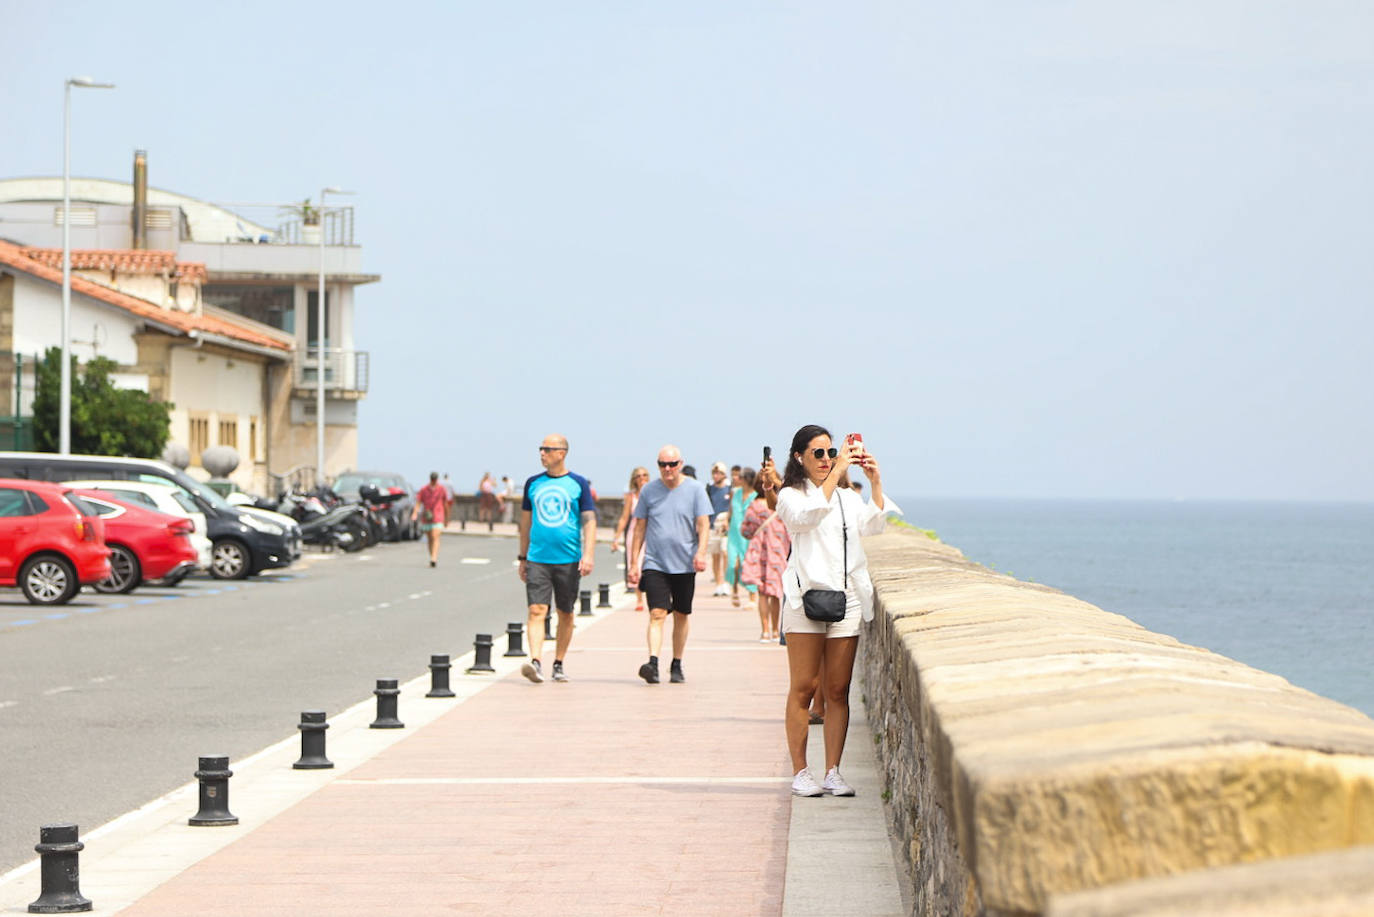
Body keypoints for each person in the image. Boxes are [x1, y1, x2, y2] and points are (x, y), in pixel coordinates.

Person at [776, 424, 901, 798]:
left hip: (846, 599)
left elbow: (873, 526)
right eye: (819, 453)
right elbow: (807, 517)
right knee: (803, 687)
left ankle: (833, 771)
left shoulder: (847, 497)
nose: (827, 460)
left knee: (837, 690)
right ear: (799, 457)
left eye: (831, 453)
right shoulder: (790, 495)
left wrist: (875, 483)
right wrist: (837, 475)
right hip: (804, 599)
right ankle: (801, 771)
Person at [628, 445, 712, 685]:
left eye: (672, 464)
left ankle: (676, 663)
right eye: (662, 464)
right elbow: (640, 528)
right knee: (657, 613)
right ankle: (652, 663)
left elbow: (704, 524)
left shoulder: (695, 489)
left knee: (682, 614)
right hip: (655, 563)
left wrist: (701, 552)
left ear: (680, 464)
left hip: (685, 563)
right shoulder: (648, 491)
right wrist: (635, 562)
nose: (667, 469)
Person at [517, 434, 596, 684]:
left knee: (566, 613)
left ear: (561, 453)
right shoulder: (532, 483)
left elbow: (589, 521)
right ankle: (536, 661)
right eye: (540, 449)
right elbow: (526, 521)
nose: (542, 454)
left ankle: (559, 662)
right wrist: (522, 556)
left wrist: (589, 554)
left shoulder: (578, 484)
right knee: (536, 609)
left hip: (568, 558)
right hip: (538, 557)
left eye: (547, 449)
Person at [740, 471, 788, 642]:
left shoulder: (754, 506)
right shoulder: (781, 505)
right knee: (776, 593)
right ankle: (776, 630)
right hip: (778, 551)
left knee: (762, 593)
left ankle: (765, 631)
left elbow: (745, 531)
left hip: (759, 552)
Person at [611, 466, 651, 611]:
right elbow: (624, 518)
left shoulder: (653, 494)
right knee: (634, 564)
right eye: (638, 476)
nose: (642, 479)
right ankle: (639, 599)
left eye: (644, 475)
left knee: (647, 564)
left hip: (651, 533)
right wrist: (616, 538)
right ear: (634, 480)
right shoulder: (630, 497)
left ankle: (651, 595)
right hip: (634, 533)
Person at [725, 467, 759, 608]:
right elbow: (730, 510)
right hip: (733, 534)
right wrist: (726, 522)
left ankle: (752, 596)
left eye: (740, 477)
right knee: (733, 564)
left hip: (749, 536)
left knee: (749, 565)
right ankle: (735, 590)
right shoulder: (735, 493)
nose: (737, 479)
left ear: (747, 479)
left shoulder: (756, 495)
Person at [410, 471, 449, 567]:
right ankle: (432, 556)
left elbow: (445, 503)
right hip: (427, 517)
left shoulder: (441, 489)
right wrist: (415, 513)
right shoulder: (424, 489)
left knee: (435, 536)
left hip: (438, 515)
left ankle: (434, 558)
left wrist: (447, 517)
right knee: (430, 538)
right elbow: (419, 502)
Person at [705, 462, 732, 596]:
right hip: (712, 525)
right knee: (715, 556)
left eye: (718, 473)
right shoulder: (709, 488)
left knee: (725, 552)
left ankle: (726, 582)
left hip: (725, 526)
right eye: (714, 473)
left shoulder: (729, 488)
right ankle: (718, 583)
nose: (716, 476)